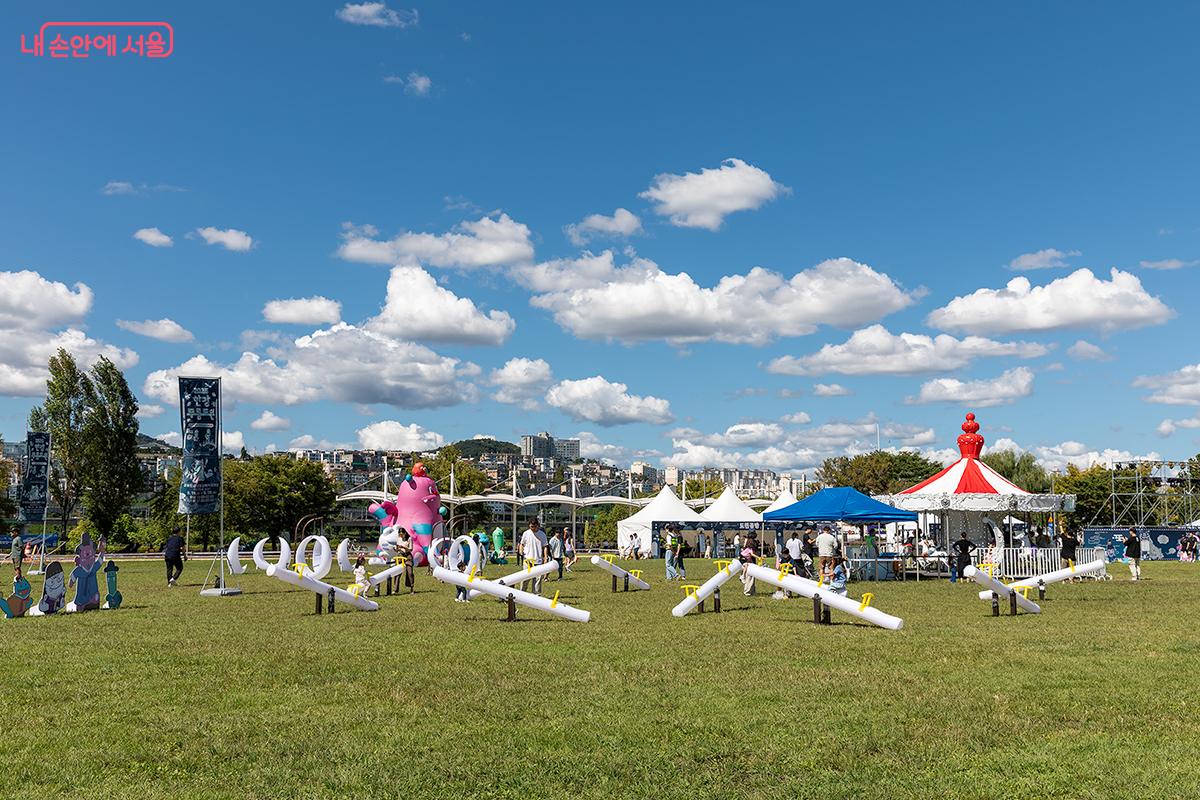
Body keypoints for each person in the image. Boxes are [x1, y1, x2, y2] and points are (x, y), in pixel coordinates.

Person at [519, 519, 549, 594]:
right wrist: (521, 551)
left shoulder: (542, 534)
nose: (533, 528)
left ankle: (536, 595)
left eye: (534, 526)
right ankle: (522, 594)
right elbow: (522, 544)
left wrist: (545, 557)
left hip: (538, 560)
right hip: (528, 560)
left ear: (537, 526)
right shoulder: (526, 533)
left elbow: (545, 546)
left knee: (538, 579)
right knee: (525, 578)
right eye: (531, 526)